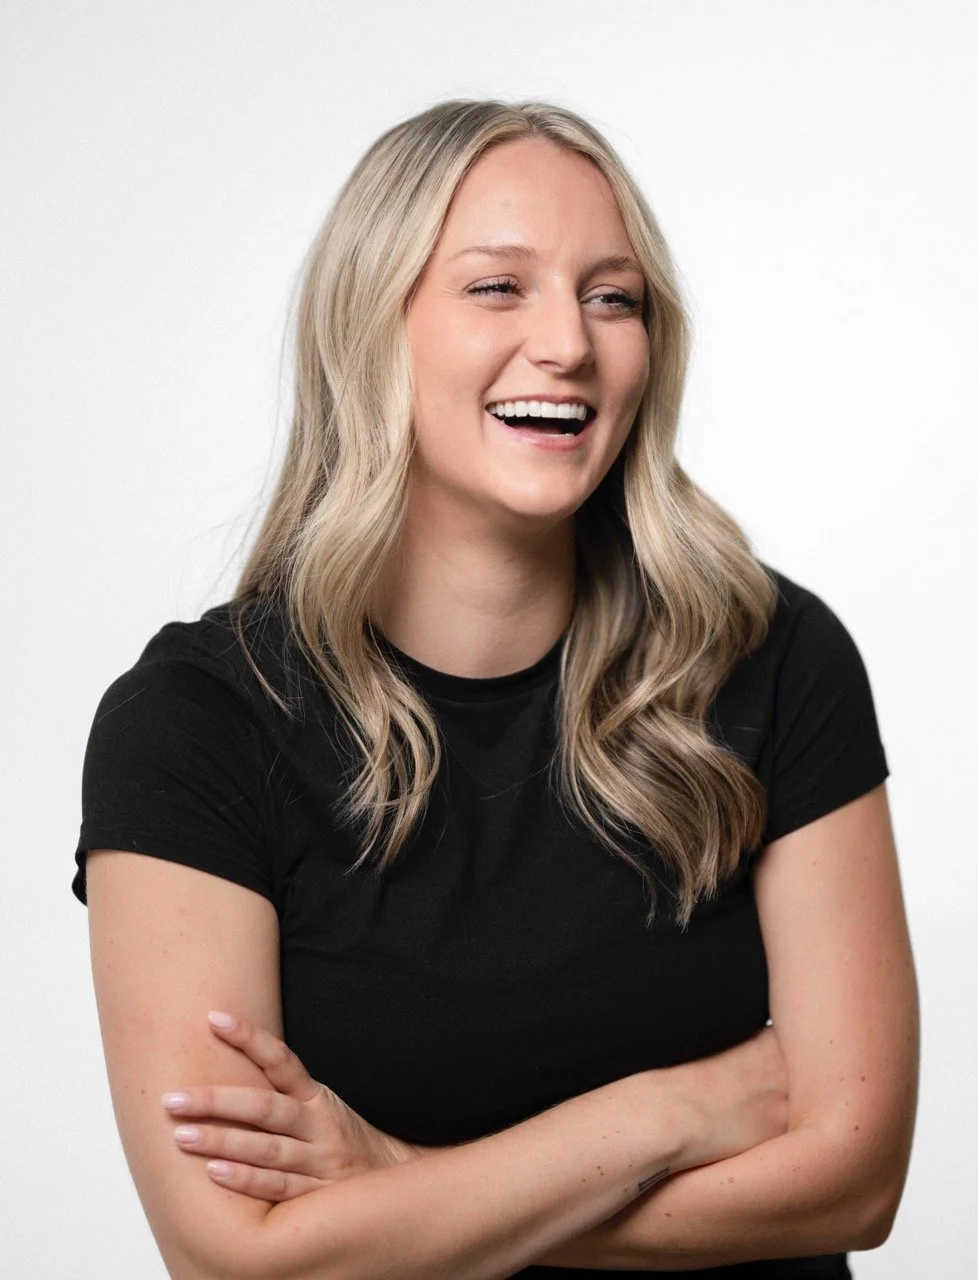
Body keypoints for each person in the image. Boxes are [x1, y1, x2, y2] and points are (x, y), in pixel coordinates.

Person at [74, 99, 918, 1279]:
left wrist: (403, 1183)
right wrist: (673, 1113)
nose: (567, 342)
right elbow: (241, 1261)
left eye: (612, 296)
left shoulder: (770, 655)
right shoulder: (197, 722)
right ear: (372, 325)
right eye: (497, 287)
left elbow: (857, 1178)